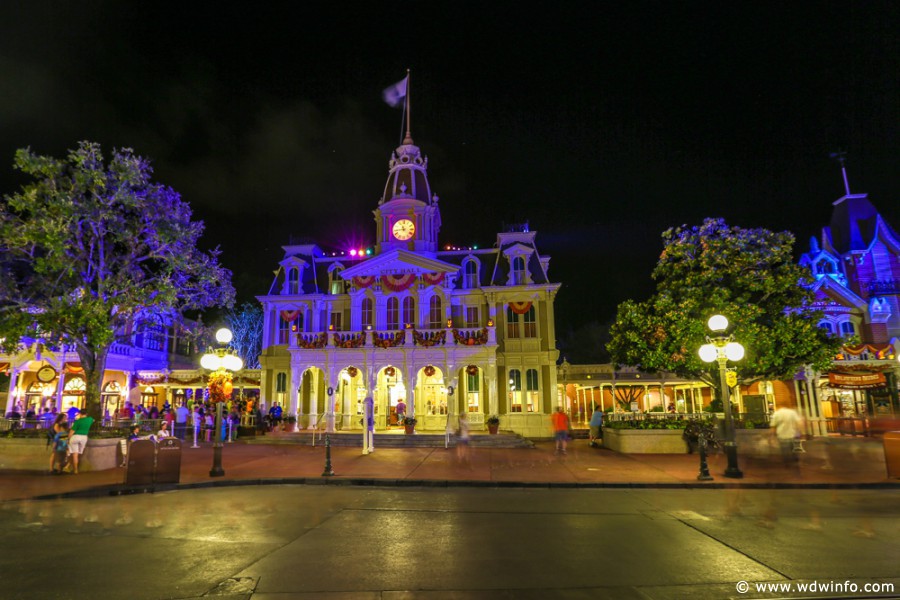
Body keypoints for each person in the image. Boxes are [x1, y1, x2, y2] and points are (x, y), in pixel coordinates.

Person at [67, 409, 94, 474]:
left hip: (75, 437)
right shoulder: (90, 419)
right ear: (86, 414)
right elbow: (93, 420)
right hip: (84, 437)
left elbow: (71, 432)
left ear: (80, 413)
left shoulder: (77, 421)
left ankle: (75, 470)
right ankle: (69, 466)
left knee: (74, 454)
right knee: (78, 454)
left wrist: (68, 439)